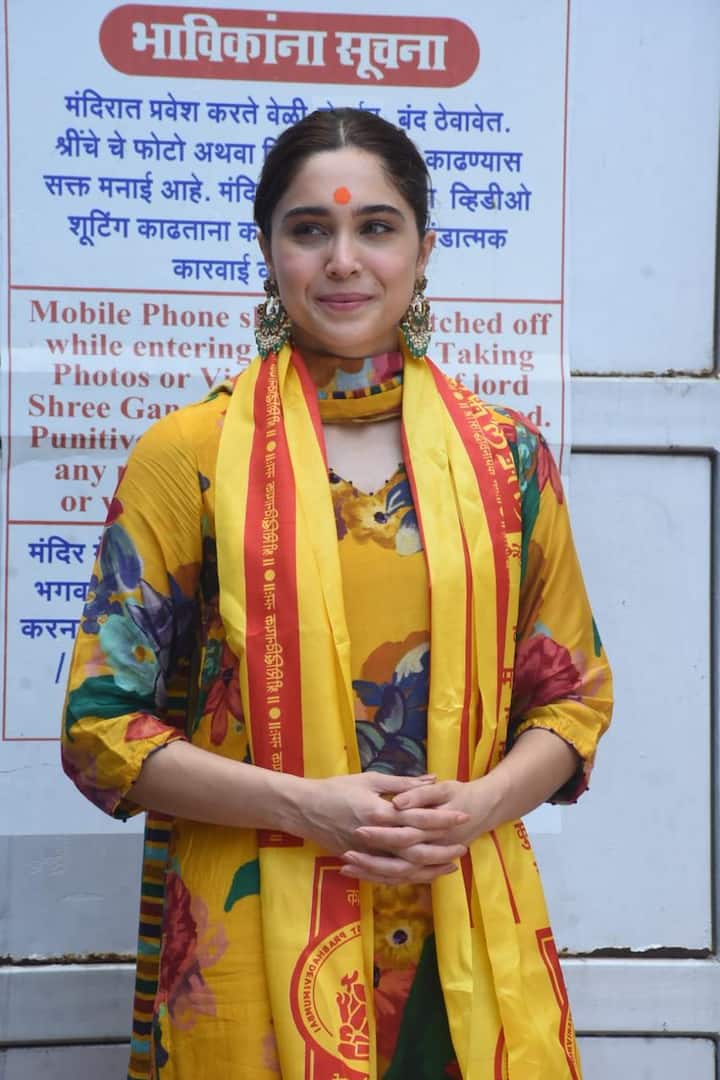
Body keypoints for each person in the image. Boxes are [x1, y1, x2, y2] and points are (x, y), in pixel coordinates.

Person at [61, 108, 613, 1080]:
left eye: (376, 226)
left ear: (425, 249)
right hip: (249, 950)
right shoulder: (189, 458)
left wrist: (480, 805)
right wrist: (305, 805)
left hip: (462, 946)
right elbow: (100, 729)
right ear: (269, 248)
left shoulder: (509, 462)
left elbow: (571, 699)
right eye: (311, 228)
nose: (345, 259)